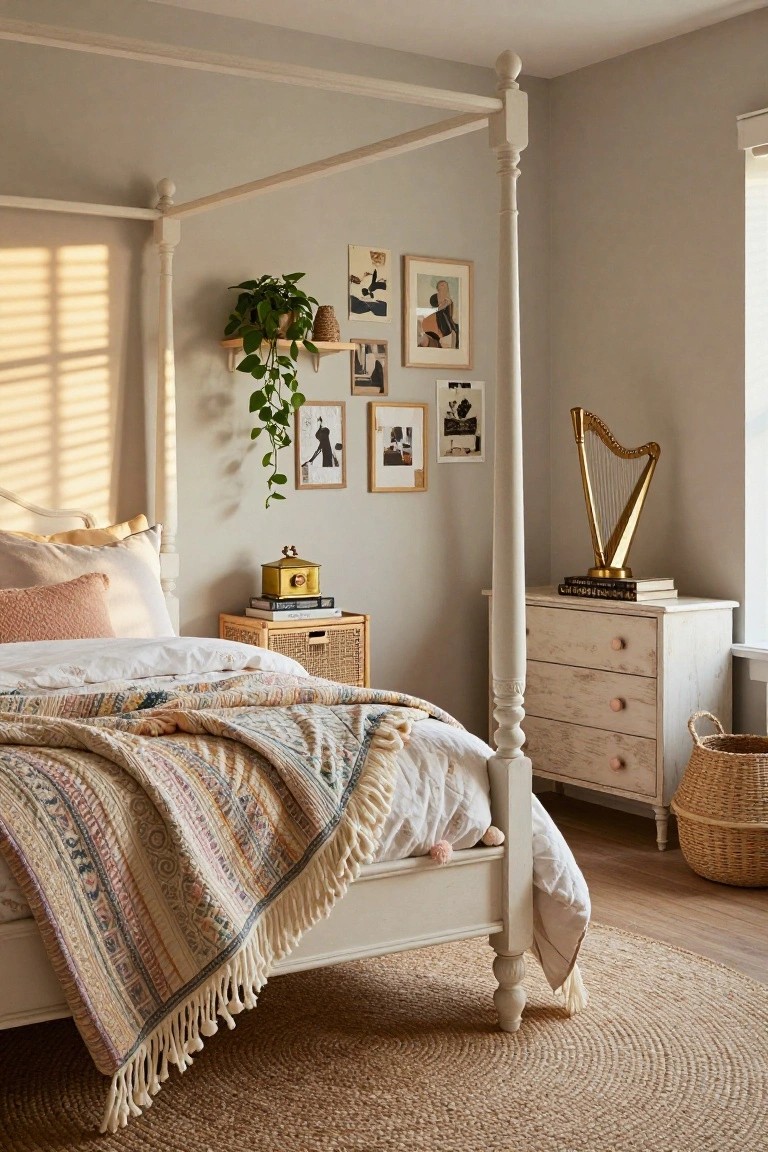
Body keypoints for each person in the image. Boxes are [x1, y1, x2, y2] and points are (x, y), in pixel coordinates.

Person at [419, 279, 459, 349]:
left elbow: (450, 315)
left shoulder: (449, 301)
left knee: (456, 329)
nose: (445, 287)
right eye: (442, 285)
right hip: (436, 323)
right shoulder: (434, 298)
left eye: (446, 286)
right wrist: (442, 306)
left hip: (446, 324)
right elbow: (431, 310)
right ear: (438, 288)